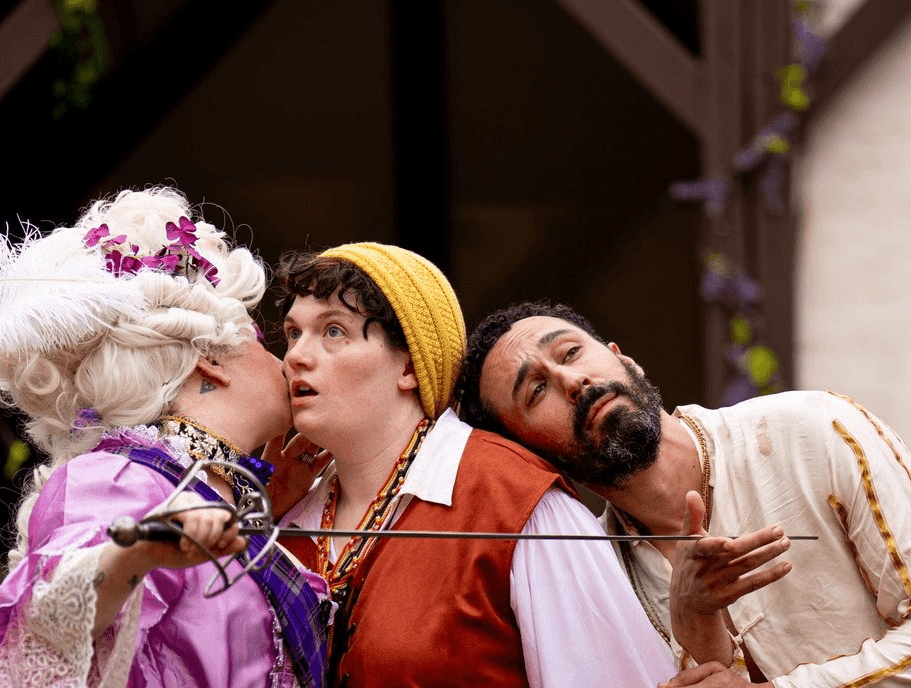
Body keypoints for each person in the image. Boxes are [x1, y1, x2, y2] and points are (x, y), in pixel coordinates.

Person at [0, 187, 331, 688]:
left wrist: (260, 511)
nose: (286, 359)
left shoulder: (191, 489)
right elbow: (52, 616)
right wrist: (137, 551)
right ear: (210, 359)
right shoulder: (118, 478)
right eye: (260, 337)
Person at [273, 243, 675, 687]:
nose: (296, 356)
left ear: (409, 365)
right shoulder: (287, 518)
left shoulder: (516, 500)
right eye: (293, 333)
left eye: (333, 331)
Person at [456, 299, 911, 688]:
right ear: (532, 457)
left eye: (571, 352)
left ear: (623, 359)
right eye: (537, 390)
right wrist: (698, 629)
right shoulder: (594, 580)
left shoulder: (815, 430)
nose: (573, 381)